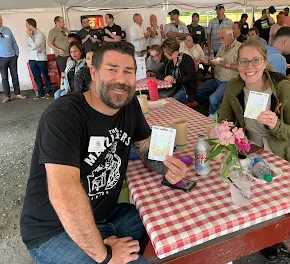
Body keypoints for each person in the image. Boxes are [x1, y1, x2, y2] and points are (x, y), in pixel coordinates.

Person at [20, 41, 188, 264]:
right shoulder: (64, 114)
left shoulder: (129, 106)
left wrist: (167, 165)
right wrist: (105, 255)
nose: (121, 79)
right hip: (54, 230)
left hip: (107, 217)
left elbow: (145, 147)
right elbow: (65, 193)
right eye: (112, 69)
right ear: (93, 72)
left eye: (128, 71)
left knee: (169, 224)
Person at [219, 39, 290, 264]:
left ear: (265, 62)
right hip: (254, 155)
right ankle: (269, 240)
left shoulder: (283, 87)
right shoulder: (234, 88)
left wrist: (276, 124)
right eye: (244, 61)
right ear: (237, 64)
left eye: (255, 60)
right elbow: (226, 122)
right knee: (245, 196)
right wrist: (227, 137)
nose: (249, 66)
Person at [195, 27, 241, 120]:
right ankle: (215, 109)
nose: (220, 41)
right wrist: (209, 61)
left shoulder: (240, 48)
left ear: (230, 35)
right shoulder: (222, 47)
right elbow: (217, 61)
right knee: (196, 91)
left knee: (213, 99)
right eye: (219, 38)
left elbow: (242, 67)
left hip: (229, 81)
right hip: (217, 79)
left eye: (222, 38)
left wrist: (225, 65)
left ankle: (212, 116)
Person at [156, 38, 197, 104]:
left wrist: (176, 80)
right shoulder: (169, 61)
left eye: (165, 51)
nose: (165, 54)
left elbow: (191, 76)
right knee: (159, 98)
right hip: (174, 88)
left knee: (170, 102)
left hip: (186, 90)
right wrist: (165, 77)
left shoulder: (186, 59)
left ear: (169, 50)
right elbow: (158, 73)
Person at [0, 15, 27, 103]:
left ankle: (17, 93)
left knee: (15, 76)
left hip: (12, 57)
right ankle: (7, 96)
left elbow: (14, 42)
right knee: (4, 77)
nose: (0, 21)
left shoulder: (7, 30)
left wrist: (16, 53)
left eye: (1, 19)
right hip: (1, 58)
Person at [25, 18, 52, 99]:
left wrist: (30, 38)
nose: (25, 26)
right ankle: (40, 93)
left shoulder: (40, 34)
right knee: (36, 76)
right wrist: (34, 47)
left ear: (30, 25)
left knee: (45, 75)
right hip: (32, 58)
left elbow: (34, 45)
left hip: (41, 58)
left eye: (26, 24)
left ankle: (48, 91)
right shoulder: (28, 35)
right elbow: (26, 47)